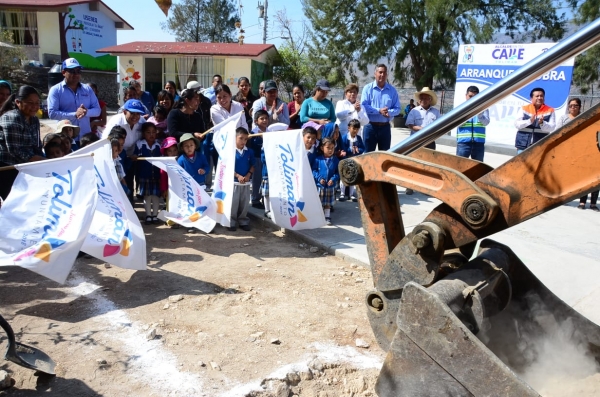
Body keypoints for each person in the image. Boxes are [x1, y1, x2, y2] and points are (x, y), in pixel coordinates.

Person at [0, 85, 45, 200]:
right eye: (30, 103)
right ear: (18, 102)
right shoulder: (11, 118)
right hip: (7, 168)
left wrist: (44, 160)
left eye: (37, 103)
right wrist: (39, 160)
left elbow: (37, 145)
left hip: (26, 168)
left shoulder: (34, 120)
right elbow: (15, 150)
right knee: (14, 203)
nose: (34, 107)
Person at [48, 58, 101, 136]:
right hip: (67, 139)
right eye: (72, 71)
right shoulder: (56, 90)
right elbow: (52, 113)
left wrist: (86, 112)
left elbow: (97, 110)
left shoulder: (87, 89)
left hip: (85, 137)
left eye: (78, 71)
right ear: (63, 72)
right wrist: (74, 114)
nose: (76, 74)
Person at [104, 99, 146, 197]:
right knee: (120, 180)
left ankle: (130, 205)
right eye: (132, 113)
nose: (135, 117)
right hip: (117, 154)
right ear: (124, 112)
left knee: (130, 180)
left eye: (138, 114)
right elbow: (106, 140)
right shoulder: (116, 121)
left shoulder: (142, 122)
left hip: (133, 154)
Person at [405, 87, 441, 195]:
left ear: (430, 100)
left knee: (429, 165)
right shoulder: (414, 111)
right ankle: (409, 186)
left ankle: (426, 188)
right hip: (415, 141)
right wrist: (421, 129)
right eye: (422, 98)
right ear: (419, 100)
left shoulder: (435, 112)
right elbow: (410, 125)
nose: (424, 100)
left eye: (426, 98)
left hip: (430, 142)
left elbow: (439, 126)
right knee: (412, 164)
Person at [361, 64, 400, 152]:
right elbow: (364, 106)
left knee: (384, 156)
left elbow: (397, 108)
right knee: (367, 155)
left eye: (384, 73)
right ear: (375, 74)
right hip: (370, 127)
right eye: (380, 72)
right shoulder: (367, 88)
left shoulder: (392, 90)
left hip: (385, 128)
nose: (382, 75)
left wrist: (389, 113)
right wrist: (379, 111)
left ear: (387, 75)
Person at [134, 122, 163, 225]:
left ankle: (155, 215)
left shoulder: (158, 145)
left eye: (153, 132)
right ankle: (148, 215)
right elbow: (135, 157)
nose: (151, 135)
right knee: (147, 196)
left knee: (155, 196)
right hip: (144, 175)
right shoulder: (139, 144)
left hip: (156, 175)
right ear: (143, 133)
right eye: (148, 132)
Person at [514, 87, 556, 153]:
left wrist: (542, 123)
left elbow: (552, 127)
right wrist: (529, 121)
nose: (539, 98)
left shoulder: (550, 110)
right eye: (537, 96)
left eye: (541, 96)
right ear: (531, 98)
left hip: (541, 145)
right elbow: (517, 124)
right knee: (522, 163)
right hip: (523, 144)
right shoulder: (524, 109)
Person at [230, 127, 255, 232]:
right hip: (234, 182)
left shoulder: (249, 151)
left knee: (244, 203)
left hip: (246, 182)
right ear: (235, 138)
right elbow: (227, 167)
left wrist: (248, 175)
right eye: (241, 138)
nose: (243, 141)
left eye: (245, 139)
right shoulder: (230, 151)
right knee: (233, 203)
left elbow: (253, 165)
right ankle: (231, 222)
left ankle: (243, 221)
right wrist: (237, 176)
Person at [456, 86, 490, 161]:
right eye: (470, 96)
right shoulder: (460, 108)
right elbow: (457, 124)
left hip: (478, 143)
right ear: (466, 96)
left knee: (478, 169)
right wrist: (467, 114)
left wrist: (480, 116)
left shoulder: (484, 108)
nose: (472, 98)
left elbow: (486, 123)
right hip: (463, 143)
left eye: (475, 96)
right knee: (460, 167)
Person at [312, 137, 340, 225]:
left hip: (330, 186)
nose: (330, 150)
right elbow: (314, 171)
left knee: (328, 202)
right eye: (328, 148)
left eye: (332, 148)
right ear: (322, 148)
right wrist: (319, 178)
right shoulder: (318, 159)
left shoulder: (336, 160)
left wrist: (333, 179)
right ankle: (318, 215)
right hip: (320, 185)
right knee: (319, 201)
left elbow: (337, 172)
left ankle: (327, 216)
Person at [339, 119, 365, 202]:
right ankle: (342, 194)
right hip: (346, 160)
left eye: (357, 129)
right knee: (344, 176)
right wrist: (350, 150)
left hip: (354, 160)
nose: (355, 131)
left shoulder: (359, 138)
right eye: (354, 128)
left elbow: (362, 148)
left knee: (353, 177)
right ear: (349, 128)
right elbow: (343, 148)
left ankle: (351, 194)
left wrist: (358, 150)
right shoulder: (344, 138)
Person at [249, 109, 269, 209]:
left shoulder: (270, 131)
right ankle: (255, 199)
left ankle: (264, 198)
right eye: (262, 118)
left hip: (267, 159)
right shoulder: (253, 133)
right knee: (257, 180)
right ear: (256, 121)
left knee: (264, 179)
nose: (264, 120)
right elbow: (253, 146)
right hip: (257, 158)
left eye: (266, 118)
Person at [159, 137, 180, 228]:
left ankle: (178, 219)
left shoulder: (180, 160)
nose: (173, 153)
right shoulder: (164, 163)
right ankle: (171, 221)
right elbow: (163, 176)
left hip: (178, 188)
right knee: (169, 204)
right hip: (169, 188)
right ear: (166, 152)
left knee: (178, 204)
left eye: (175, 150)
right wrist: (164, 189)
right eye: (170, 151)